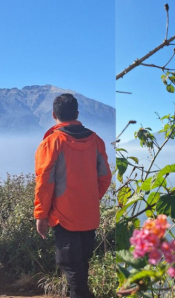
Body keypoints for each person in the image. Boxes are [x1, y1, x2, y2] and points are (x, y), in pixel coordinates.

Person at [33, 93, 111, 298]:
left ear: (53, 115)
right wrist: (91, 198)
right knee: (80, 267)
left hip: (63, 218)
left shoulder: (51, 143)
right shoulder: (96, 141)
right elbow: (105, 178)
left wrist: (41, 216)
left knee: (73, 270)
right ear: (77, 114)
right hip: (89, 215)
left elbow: (44, 184)